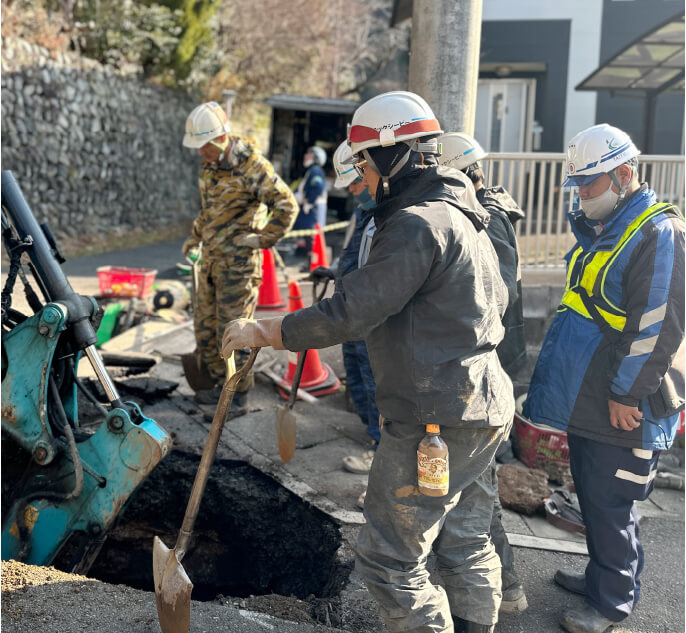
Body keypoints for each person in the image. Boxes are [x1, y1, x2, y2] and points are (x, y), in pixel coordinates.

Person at [223, 91, 515, 633]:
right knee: (467, 539)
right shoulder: (464, 212)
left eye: (362, 163)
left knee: (390, 560)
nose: (361, 177)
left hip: (437, 415)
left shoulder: (416, 223)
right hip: (484, 405)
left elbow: (351, 316)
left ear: (391, 153)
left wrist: (262, 329)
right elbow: (494, 302)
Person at [524, 123, 684, 633]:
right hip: (593, 397)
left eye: (589, 184)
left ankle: (610, 603)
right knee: (594, 495)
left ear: (624, 174)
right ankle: (602, 579)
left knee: (613, 502)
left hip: (624, 402)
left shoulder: (658, 233)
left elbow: (657, 325)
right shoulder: (610, 228)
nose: (581, 195)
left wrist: (625, 392)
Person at [438, 132, 528, 614]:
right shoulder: (489, 210)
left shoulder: (487, 220)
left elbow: (488, 300)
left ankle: (503, 590)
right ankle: (500, 588)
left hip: (487, 370)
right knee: (476, 485)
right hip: (492, 365)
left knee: (477, 488)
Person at [181, 101, 298, 414]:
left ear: (220, 139)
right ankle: (221, 386)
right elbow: (208, 211)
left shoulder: (252, 166)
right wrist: (195, 237)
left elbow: (287, 205)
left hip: (239, 269)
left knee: (234, 333)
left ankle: (238, 396)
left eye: (203, 146)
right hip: (211, 262)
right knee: (205, 331)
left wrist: (262, 239)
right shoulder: (209, 166)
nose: (199, 153)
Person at [313, 141, 380, 500]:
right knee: (357, 372)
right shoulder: (363, 213)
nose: (353, 191)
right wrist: (336, 271)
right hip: (353, 307)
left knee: (373, 378)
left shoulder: (389, 215)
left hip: (370, 313)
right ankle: (370, 430)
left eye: (355, 183)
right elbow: (355, 255)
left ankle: (380, 446)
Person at [292, 146, 328, 259]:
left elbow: (317, 187)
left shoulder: (315, 171)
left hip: (313, 210)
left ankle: (312, 265)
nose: (305, 156)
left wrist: (309, 202)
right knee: (308, 237)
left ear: (315, 157)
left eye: (309, 154)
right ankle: (310, 264)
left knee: (312, 238)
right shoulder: (311, 171)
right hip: (311, 210)